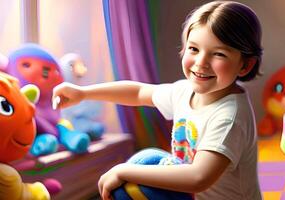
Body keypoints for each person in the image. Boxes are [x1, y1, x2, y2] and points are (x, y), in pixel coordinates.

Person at [52, 1, 263, 199]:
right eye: (194, 49)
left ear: (245, 65)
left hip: (202, 192)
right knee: (147, 160)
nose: (201, 62)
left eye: (218, 54)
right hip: (192, 195)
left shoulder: (230, 117)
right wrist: (83, 93)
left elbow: (199, 177)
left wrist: (123, 170)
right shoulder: (186, 91)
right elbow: (137, 93)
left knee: (136, 170)